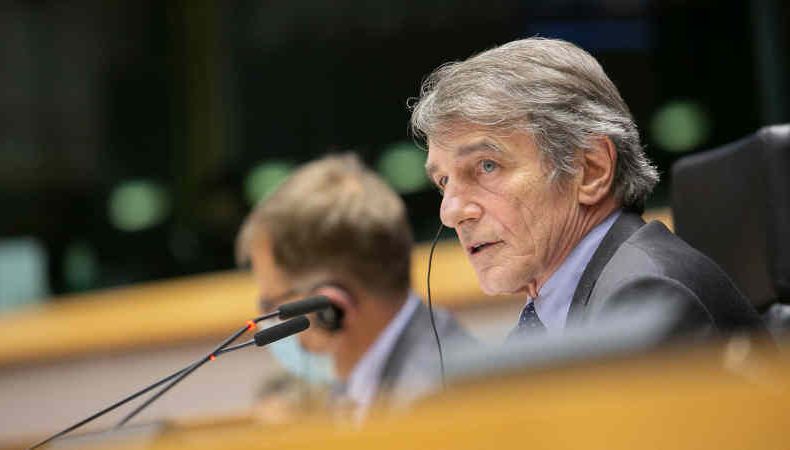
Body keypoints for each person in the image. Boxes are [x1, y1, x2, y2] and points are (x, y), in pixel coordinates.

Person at [410, 37, 765, 339]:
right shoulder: (555, 313)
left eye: (487, 166)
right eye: (443, 181)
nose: (451, 211)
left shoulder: (644, 300)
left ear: (591, 170)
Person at [236, 153, 473, 420]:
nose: (269, 321)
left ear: (330, 306)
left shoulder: (433, 400)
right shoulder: (353, 389)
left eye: (272, 305)